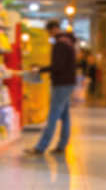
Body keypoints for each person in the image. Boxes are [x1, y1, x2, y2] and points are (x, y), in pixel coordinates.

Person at [27, 21, 76, 154]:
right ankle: (62, 145)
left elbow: (57, 66)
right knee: (65, 116)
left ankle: (40, 147)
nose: (49, 35)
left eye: (49, 32)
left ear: (54, 29)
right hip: (69, 82)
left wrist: (40, 69)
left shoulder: (60, 44)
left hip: (61, 84)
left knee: (53, 115)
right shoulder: (68, 41)